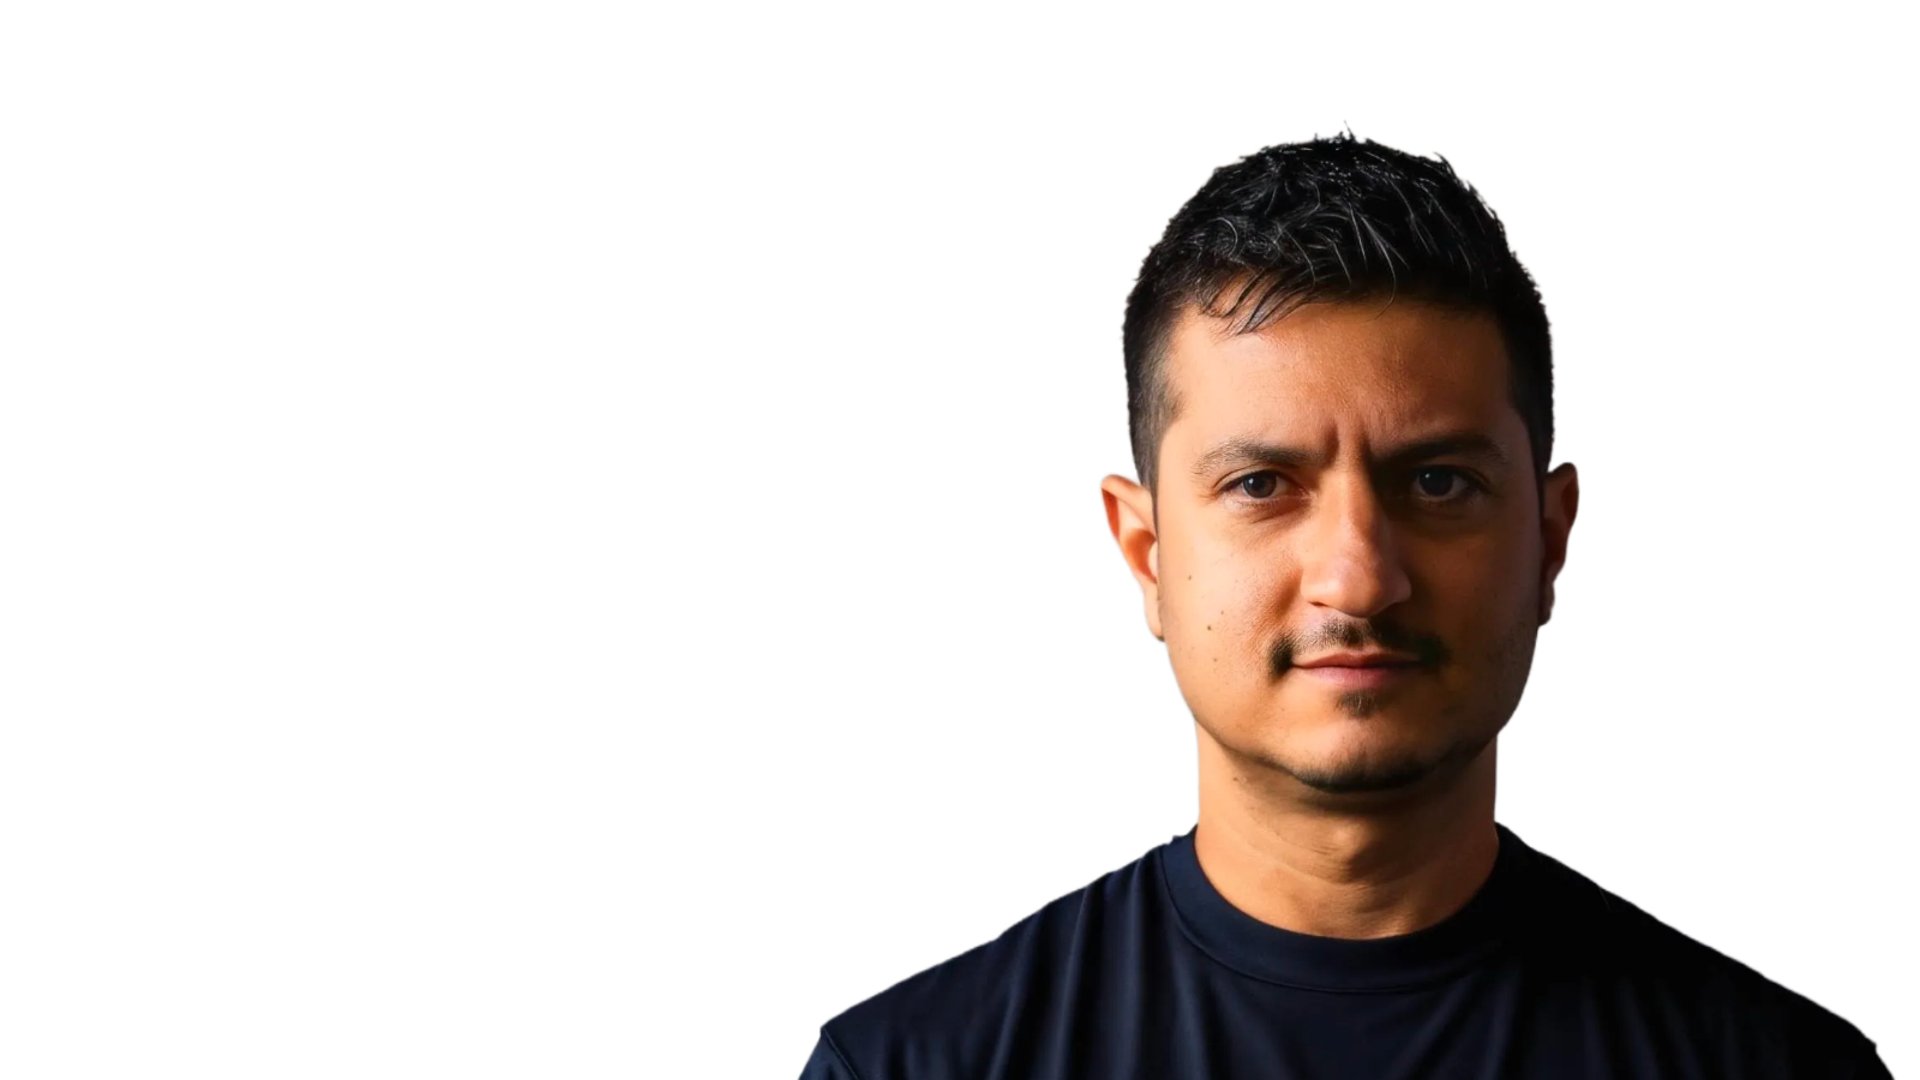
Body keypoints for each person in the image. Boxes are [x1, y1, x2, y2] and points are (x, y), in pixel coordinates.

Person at [796, 134, 1892, 1078]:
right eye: (1260, 485)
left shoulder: (1781, 1067)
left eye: (1438, 483)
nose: (1360, 578)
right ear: (1147, 553)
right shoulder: (912, 1066)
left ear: (1549, 540)